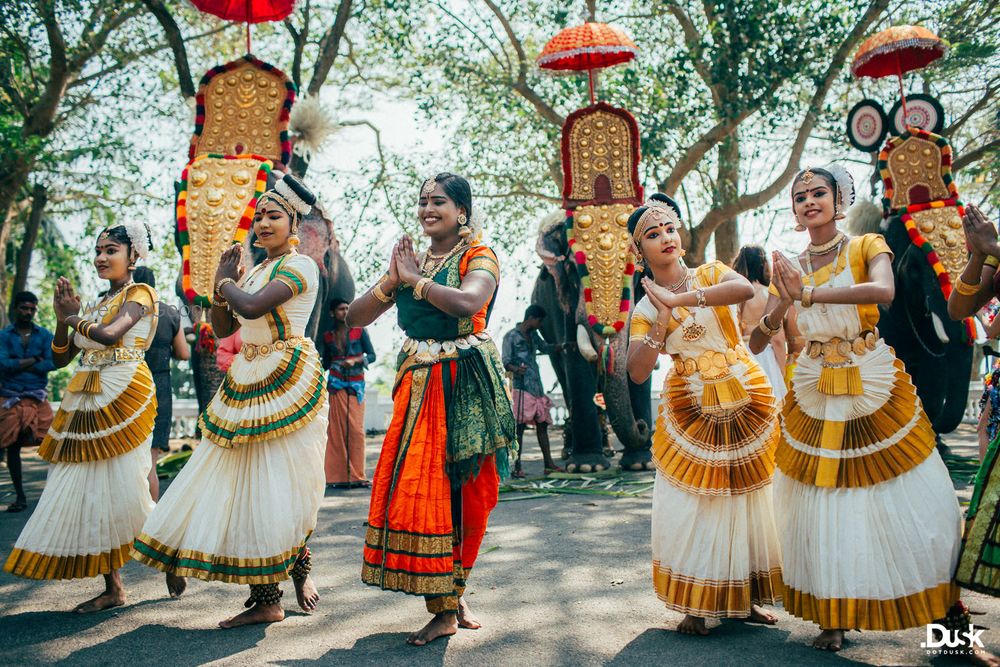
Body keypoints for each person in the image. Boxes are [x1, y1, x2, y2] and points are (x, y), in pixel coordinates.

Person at [749, 165, 962, 653]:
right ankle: (834, 617)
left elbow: (882, 292)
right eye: (800, 196)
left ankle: (950, 618)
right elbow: (761, 336)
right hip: (816, 386)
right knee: (823, 501)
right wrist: (780, 304)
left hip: (870, 380)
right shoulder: (791, 263)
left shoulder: (867, 246)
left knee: (913, 490)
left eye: (818, 192)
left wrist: (808, 292)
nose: (809, 201)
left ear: (839, 199)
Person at [132, 172, 328, 628]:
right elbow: (225, 329)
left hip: (286, 376)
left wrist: (223, 284)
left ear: (293, 222)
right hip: (248, 375)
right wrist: (225, 289)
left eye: (273, 215)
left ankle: (295, 577)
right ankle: (268, 595)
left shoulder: (301, 266)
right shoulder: (256, 269)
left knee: (283, 483)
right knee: (247, 481)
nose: (262, 223)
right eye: (258, 215)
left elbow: (256, 307)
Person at [348, 172, 516, 646]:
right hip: (419, 385)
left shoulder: (478, 254)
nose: (427, 209)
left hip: (465, 385)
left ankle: (453, 591)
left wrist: (416, 283)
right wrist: (393, 280)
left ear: (461, 211)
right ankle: (444, 606)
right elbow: (356, 317)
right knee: (427, 493)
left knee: (472, 493)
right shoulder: (412, 260)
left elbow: (469, 299)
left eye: (438, 201)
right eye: (422, 201)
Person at [626, 194, 782, 635]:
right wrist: (660, 317)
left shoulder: (710, 273)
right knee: (694, 501)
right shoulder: (642, 308)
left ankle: (744, 599)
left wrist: (680, 301)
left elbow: (744, 290)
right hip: (691, 406)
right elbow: (637, 372)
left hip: (743, 393)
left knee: (748, 496)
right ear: (640, 251)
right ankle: (698, 602)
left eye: (669, 229)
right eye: (652, 235)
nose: (665, 239)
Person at [3, 223, 161, 612]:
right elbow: (60, 358)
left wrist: (74, 318)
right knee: (91, 485)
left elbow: (110, 335)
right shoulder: (91, 303)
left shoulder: (140, 292)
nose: (101, 258)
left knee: (128, 480)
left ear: (133, 256)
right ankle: (114, 587)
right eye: (98, 251)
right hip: (86, 393)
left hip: (126, 390)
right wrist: (62, 318)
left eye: (111, 250)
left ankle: (167, 554)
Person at [133, 267, 189, 500]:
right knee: (150, 465)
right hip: (159, 386)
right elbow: (184, 354)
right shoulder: (169, 313)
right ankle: (149, 523)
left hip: (129, 385)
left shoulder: (121, 311)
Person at [0, 291, 55, 512]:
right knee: (11, 447)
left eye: (32, 309)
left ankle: (54, 497)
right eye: (24, 308)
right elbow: (3, 364)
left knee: (53, 444)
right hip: (9, 397)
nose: (28, 312)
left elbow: (52, 362)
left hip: (37, 397)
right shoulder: (4, 336)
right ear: (16, 308)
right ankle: (20, 497)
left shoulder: (44, 335)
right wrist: (34, 359)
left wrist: (20, 363)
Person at [320, 297, 375, 489]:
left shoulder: (360, 332)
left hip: (356, 385)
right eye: (341, 309)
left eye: (347, 308)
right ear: (333, 313)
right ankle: (336, 478)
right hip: (335, 384)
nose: (344, 312)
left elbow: (372, 356)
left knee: (356, 431)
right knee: (335, 431)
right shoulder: (328, 336)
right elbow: (325, 363)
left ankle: (357, 476)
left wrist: (356, 360)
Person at [502, 304, 561, 476]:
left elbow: (545, 348)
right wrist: (515, 369)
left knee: (542, 425)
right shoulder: (511, 337)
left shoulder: (534, 336)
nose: (540, 324)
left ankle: (548, 464)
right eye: (540, 321)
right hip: (521, 388)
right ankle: (517, 466)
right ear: (531, 318)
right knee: (519, 428)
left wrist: (562, 346)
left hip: (536, 386)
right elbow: (505, 360)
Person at [733, 246, 787, 402]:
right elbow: (777, 339)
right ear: (763, 264)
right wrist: (781, 372)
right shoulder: (769, 296)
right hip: (765, 358)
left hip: (738, 358)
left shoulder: (733, 297)